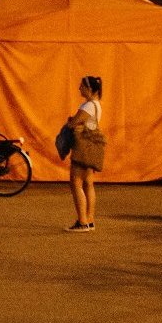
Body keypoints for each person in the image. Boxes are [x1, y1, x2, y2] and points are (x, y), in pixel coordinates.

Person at [67, 76, 105, 232]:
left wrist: (71, 122)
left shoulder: (88, 106)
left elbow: (73, 123)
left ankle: (82, 221)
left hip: (83, 147)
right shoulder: (97, 106)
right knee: (88, 182)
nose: (79, 88)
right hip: (93, 146)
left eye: (82, 86)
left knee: (75, 182)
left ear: (89, 89)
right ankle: (90, 219)